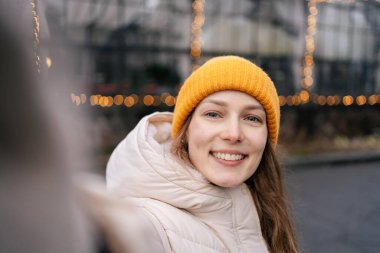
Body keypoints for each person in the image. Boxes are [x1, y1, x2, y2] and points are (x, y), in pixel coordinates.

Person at [106, 56, 299, 253]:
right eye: (213, 114)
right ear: (186, 129)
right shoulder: (146, 226)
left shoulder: (266, 214)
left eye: (252, 118)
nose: (233, 134)